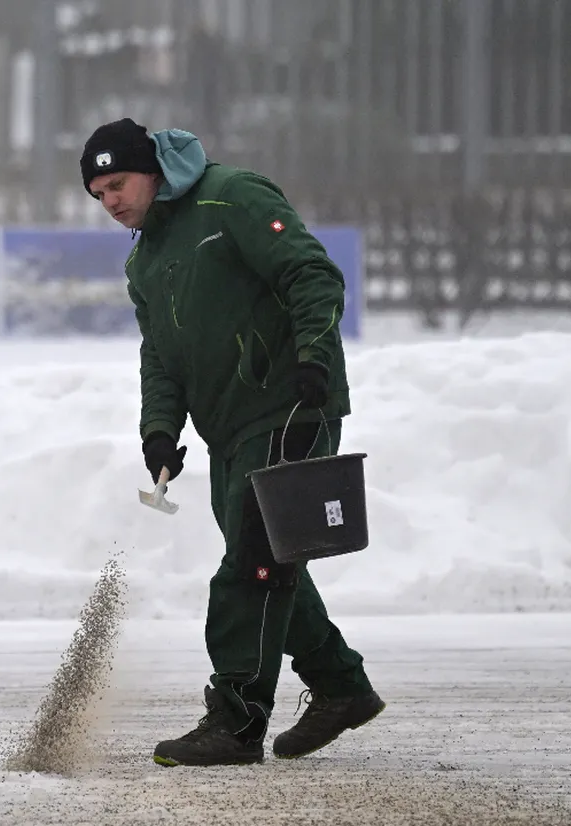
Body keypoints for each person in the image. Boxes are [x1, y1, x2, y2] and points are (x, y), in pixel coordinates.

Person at [78, 118, 385, 766]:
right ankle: (341, 686)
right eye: (97, 191)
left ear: (153, 169)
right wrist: (159, 431)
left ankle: (235, 720)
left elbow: (313, 276)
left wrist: (314, 364)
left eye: (118, 182)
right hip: (230, 430)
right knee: (271, 558)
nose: (110, 200)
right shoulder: (145, 260)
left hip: (289, 404)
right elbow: (160, 356)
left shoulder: (232, 197)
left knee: (253, 562)